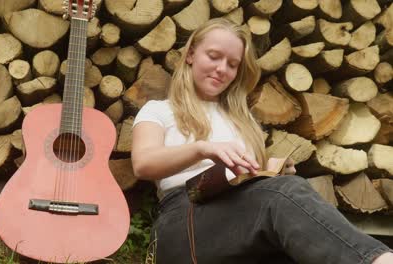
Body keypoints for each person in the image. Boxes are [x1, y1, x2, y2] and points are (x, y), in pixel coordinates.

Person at [131, 17, 393, 264]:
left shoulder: (242, 122)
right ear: (190, 55)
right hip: (184, 220)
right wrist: (202, 149)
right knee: (284, 192)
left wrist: (272, 169)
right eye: (213, 57)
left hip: (237, 216)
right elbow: (143, 164)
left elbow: (251, 191)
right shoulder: (159, 110)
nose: (222, 69)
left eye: (232, 64)